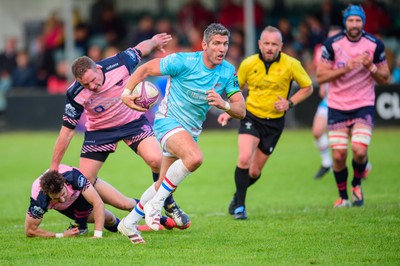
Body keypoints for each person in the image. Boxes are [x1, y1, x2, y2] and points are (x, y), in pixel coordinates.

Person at [118, 23, 246, 244]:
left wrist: (224, 104)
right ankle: (157, 205)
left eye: (225, 44)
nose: (221, 49)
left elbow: (241, 110)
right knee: (195, 158)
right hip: (167, 122)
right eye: (216, 43)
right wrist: (127, 92)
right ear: (204, 45)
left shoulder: (227, 71)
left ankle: (128, 223)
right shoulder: (184, 61)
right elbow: (145, 69)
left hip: (190, 131)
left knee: (162, 184)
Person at [49, 33, 190, 229]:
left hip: (131, 122)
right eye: (85, 84)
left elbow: (142, 47)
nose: (92, 86)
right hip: (100, 131)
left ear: (98, 68)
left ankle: (168, 203)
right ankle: (100, 220)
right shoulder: (75, 93)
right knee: (84, 180)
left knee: (157, 160)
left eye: (93, 80)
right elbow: (66, 132)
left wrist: (155, 42)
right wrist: (54, 166)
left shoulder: (119, 63)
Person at [218, 26, 313, 220]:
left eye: (274, 44)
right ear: (260, 44)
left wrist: (290, 103)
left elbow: (308, 87)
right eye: (266, 43)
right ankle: (240, 208)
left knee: (254, 171)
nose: (270, 47)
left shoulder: (291, 64)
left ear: (281, 46)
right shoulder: (248, 63)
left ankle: (238, 195)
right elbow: (237, 88)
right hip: (251, 117)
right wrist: (229, 110)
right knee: (244, 159)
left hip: (274, 124)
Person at [316, 4, 390, 208]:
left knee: (358, 150)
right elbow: (321, 75)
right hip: (338, 106)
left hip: (363, 105)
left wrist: (370, 66)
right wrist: (345, 68)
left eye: (358, 20)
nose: (355, 24)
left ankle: (356, 185)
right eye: (351, 20)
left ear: (363, 22)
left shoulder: (375, 44)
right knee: (339, 155)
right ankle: (343, 197)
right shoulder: (332, 44)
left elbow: (384, 77)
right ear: (345, 22)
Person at [25, 164, 118, 238]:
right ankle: (81, 226)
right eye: (56, 199)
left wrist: (97, 235)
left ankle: (128, 223)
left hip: (81, 194)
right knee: (108, 218)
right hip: (66, 208)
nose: (62, 200)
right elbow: (30, 231)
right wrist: (61, 235)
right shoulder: (39, 198)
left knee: (118, 210)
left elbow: (98, 202)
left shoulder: (72, 176)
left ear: (64, 184)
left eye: (62, 194)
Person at [311, 26, 342, 179]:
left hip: (346, 101)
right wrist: (323, 85)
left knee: (350, 137)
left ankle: (364, 163)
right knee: (317, 131)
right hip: (329, 99)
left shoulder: (348, 54)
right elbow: (322, 72)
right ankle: (326, 163)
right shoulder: (324, 53)